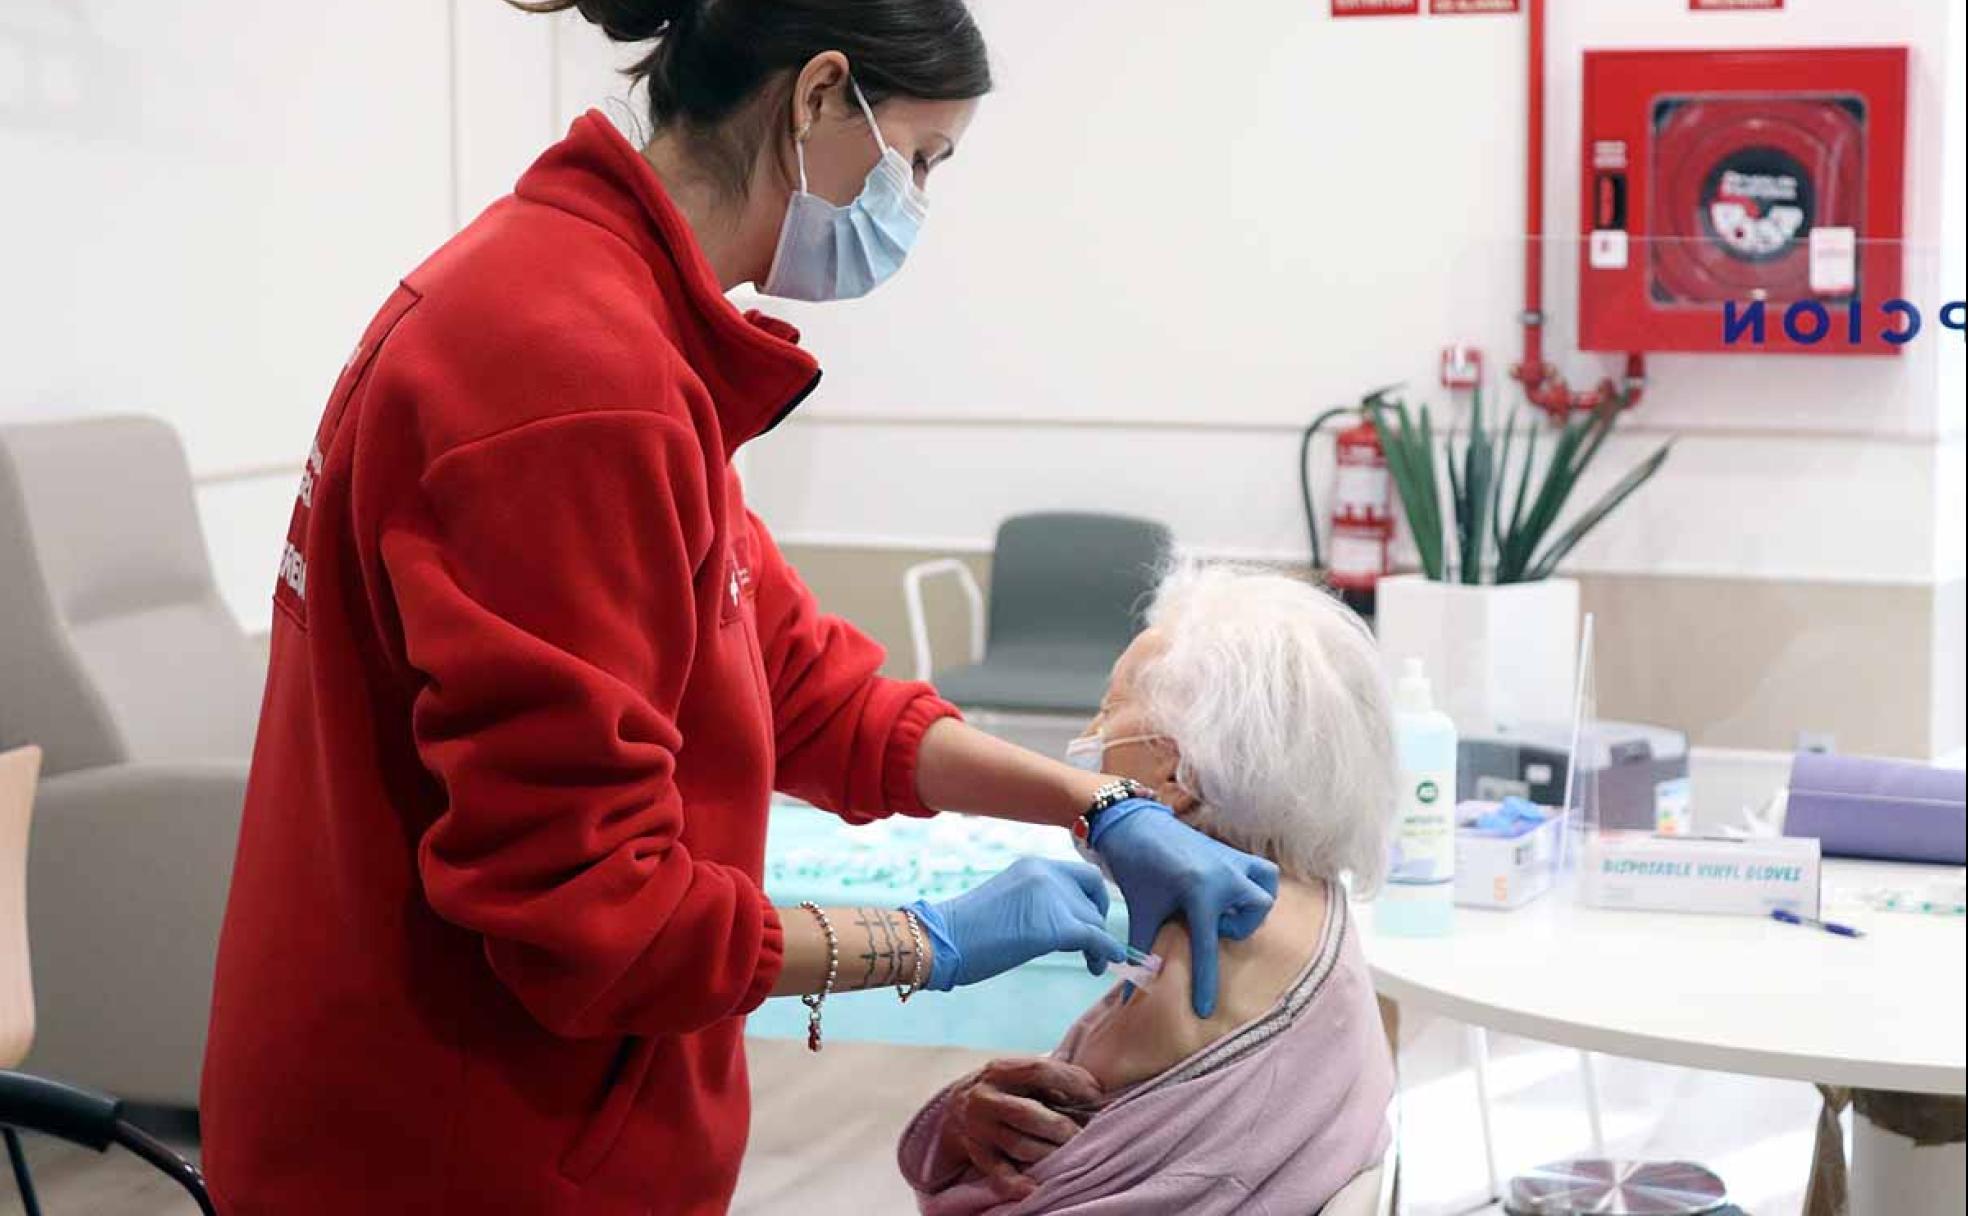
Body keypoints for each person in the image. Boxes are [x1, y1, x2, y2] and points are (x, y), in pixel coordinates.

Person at [198, 2, 1278, 1213]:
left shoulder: (605, 314)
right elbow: (597, 917)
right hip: (453, 1148)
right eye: (919, 159)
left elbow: (804, 684)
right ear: (820, 96)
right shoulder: (574, 376)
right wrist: (931, 939)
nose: (915, 202)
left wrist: (1093, 801)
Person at [898, 565, 1400, 1214]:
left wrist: (950, 1121)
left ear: (1176, 768)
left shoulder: (1195, 969)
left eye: (1109, 709)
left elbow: (1004, 1193)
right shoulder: (1314, 902)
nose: (1093, 738)